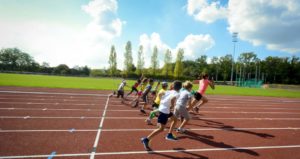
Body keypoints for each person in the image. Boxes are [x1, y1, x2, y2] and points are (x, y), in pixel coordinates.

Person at [141, 80, 182, 151]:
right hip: (165, 111)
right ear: (180, 88)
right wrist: (172, 105)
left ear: (173, 86)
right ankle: (146, 139)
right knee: (161, 129)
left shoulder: (169, 91)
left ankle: (169, 134)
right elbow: (172, 99)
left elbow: (160, 95)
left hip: (163, 109)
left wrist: (163, 103)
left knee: (175, 119)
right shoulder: (177, 93)